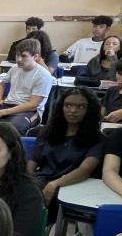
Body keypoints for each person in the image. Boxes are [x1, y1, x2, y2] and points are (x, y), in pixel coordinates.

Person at [27, 88, 104, 219]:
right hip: (42, 180)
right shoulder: (48, 131)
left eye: (80, 107)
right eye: (68, 105)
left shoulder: (97, 138)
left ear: (89, 110)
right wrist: (27, 181)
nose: (72, 110)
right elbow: (33, 161)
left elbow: (85, 170)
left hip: (72, 185)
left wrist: (55, 184)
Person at [0, 38, 54, 134]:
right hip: (7, 104)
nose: (19, 59)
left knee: (12, 129)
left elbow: (32, 105)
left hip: (29, 111)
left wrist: (2, 112)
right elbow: (2, 84)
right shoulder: (15, 68)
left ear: (35, 57)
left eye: (24, 56)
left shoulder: (44, 75)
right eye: (17, 55)